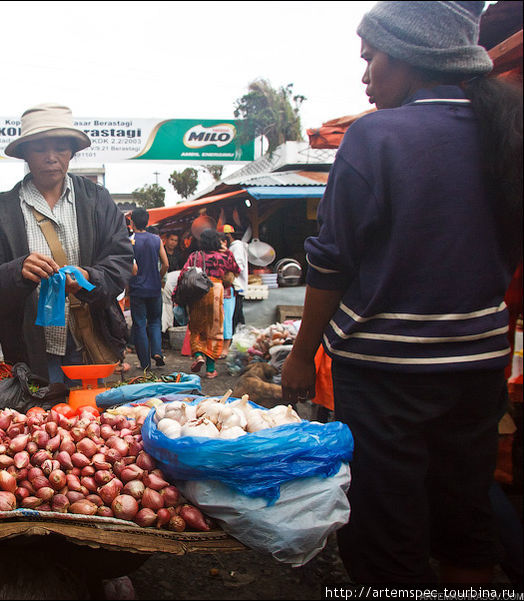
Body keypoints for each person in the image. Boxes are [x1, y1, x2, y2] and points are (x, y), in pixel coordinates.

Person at [281, 1, 522, 584]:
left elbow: (332, 264)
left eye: (372, 58)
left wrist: (300, 355)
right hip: (480, 365)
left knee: (387, 531)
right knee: (466, 521)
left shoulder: (377, 137)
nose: (365, 76)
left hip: (386, 371)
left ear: (412, 56)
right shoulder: (503, 129)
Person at [0, 103, 132, 384]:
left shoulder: (97, 200)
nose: (51, 157)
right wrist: (18, 271)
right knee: (39, 423)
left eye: (60, 148)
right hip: (31, 349)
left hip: (88, 344)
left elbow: (121, 260)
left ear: (72, 152)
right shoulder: (4, 210)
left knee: (88, 422)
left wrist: (89, 278)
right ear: (25, 155)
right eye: (40, 149)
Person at [182, 228, 240, 379]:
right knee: (214, 329)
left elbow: (183, 274)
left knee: (196, 327)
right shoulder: (223, 257)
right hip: (216, 291)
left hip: (197, 292)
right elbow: (236, 270)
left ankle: (199, 355)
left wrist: (177, 296)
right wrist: (226, 251)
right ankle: (210, 369)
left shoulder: (194, 256)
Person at [129, 208, 168, 370]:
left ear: (132, 222)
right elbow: (166, 264)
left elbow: (133, 269)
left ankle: (145, 364)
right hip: (154, 288)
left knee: (139, 324)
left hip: (137, 289)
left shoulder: (129, 240)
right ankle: (157, 351)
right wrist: (158, 277)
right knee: (154, 322)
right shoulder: (156, 239)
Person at [221, 225, 248, 330]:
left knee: (236, 315)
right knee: (236, 315)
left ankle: (240, 336)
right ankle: (241, 336)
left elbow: (239, 266)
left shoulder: (237, 247)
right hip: (234, 287)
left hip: (237, 286)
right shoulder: (233, 247)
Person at [217, 231, 239, 356]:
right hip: (213, 290)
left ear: (225, 242)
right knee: (215, 321)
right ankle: (217, 347)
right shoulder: (211, 255)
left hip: (227, 291)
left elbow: (237, 270)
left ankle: (225, 348)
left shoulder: (229, 254)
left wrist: (226, 254)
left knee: (226, 321)